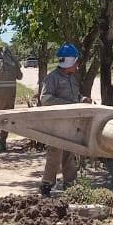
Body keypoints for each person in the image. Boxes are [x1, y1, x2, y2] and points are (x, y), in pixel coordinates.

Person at [38, 42, 82, 196]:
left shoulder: (71, 78)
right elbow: (45, 98)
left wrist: (81, 100)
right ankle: (46, 186)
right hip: (56, 125)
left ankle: (71, 186)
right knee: (55, 155)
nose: (77, 65)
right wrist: (69, 105)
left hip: (70, 124)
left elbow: (74, 97)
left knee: (70, 154)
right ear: (70, 62)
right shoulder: (52, 78)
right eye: (76, 62)